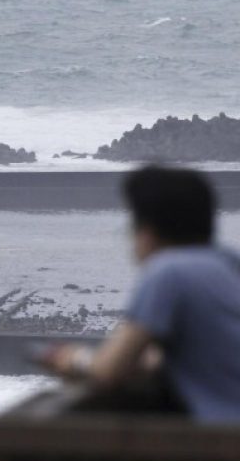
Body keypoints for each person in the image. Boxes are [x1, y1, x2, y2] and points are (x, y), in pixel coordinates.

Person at [44, 165, 240, 421]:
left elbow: (108, 369)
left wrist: (73, 359)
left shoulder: (168, 271)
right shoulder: (227, 262)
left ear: (147, 232)